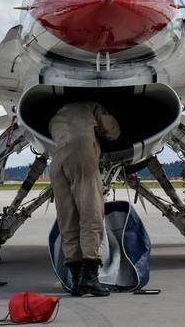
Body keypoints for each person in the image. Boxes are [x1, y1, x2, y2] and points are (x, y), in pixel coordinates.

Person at [49, 100, 121, 297]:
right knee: (91, 215)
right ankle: (90, 278)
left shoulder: (56, 117)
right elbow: (112, 132)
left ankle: (76, 280)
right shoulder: (92, 106)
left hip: (57, 162)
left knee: (68, 220)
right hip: (82, 156)